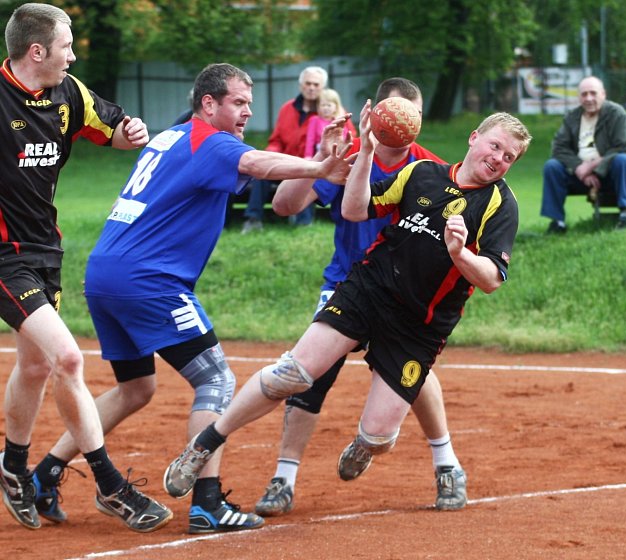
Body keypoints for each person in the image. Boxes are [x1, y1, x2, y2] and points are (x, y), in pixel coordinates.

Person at [30, 62, 352, 535]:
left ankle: (46, 473)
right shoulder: (210, 140)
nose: (246, 112)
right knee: (217, 380)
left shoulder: (172, 135)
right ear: (208, 103)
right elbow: (257, 163)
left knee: (136, 388)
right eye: (238, 102)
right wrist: (321, 166)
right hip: (149, 281)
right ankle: (206, 502)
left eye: (249, 103)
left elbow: (247, 163)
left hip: (106, 273)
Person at [163, 108, 531, 511]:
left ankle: (366, 443)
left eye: (509, 156)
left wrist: (460, 253)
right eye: (495, 145)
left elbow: (492, 278)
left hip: (419, 324)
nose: (498, 158)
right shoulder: (422, 172)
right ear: (474, 138)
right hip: (368, 289)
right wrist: (368, 152)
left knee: (380, 437)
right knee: (292, 373)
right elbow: (356, 210)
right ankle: (206, 442)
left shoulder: (500, 205)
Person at [254, 77, 466, 517]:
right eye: (395, 113)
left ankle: (447, 466)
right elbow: (284, 206)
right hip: (346, 285)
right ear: (377, 115)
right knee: (308, 377)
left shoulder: (433, 171)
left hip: (401, 295)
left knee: (414, 375)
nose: (404, 123)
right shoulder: (351, 154)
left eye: (413, 114)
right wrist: (318, 159)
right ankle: (283, 477)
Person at [0, 3, 173, 533]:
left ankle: (12, 469)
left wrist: (133, 132)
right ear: (37, 51)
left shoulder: (67, 93)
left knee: (34, 367)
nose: (72, 55)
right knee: (70, 360)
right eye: (66, 47)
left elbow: (114, 129)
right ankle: (110, 486)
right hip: (4, 255)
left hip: (45, 250)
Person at [241, 66, 355, 232]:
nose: (311, 88)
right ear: (300, 85)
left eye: (316, 84)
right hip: (286, 163)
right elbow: (277, 140)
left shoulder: (332, 109)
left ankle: (303, 223)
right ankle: (253, 219)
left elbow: (349, 136)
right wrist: (270, 153)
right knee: (261, 171)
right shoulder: (287, 108)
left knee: (309, 174)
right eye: (308, 83)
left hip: (314, 165)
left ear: (322, 87)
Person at [541, 75, 626, 232]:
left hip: (610, 173)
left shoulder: (617, 114)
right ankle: (557, 223)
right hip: (579, 175)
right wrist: (579, 168)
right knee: (552, 166)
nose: (589, 98)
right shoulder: (572, 117)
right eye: (584, 94)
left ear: (603, 94)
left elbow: (623, 146)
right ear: (579, 97)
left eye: (593, 93)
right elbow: (558, 147)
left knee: (624, 160)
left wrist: (594, 166)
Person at [304, 88, 352, 159]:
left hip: (338, 154)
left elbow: (345, 137)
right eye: (323, 105)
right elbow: (310, 140)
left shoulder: (339, 120)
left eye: (329, 105)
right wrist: (308, 156)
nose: (325, 108)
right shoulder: (314, 120)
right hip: (320, 154)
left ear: (336, 107)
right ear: (318, 106)